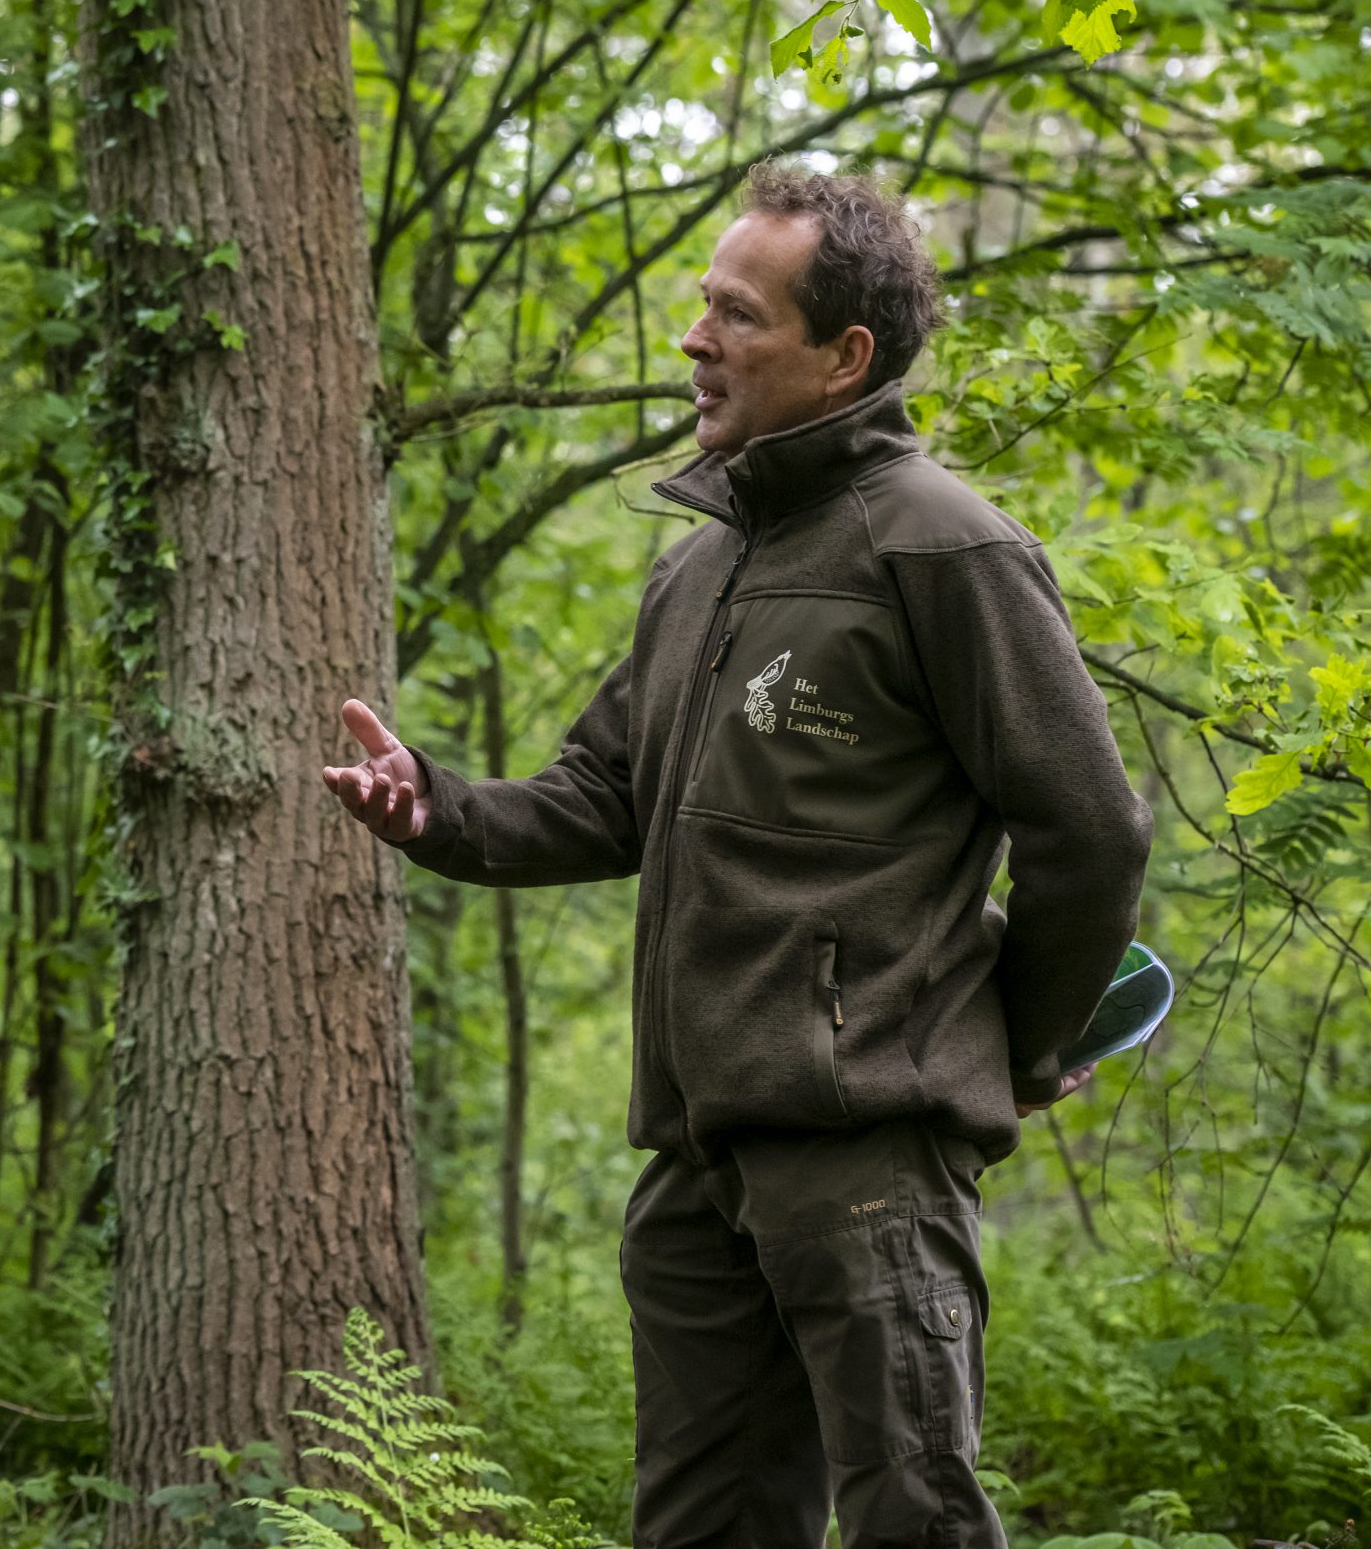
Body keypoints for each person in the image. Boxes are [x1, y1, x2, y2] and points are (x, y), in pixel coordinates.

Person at [323, 163, 1153, 1546]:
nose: (696, 339)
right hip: (699, 1173)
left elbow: (1092, 830)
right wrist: (439, 811)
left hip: (869, 1161)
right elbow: (604, 793)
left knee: (917, 1523)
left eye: (736, 314)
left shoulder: (945, 547)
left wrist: (1010, 1046)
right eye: (701, 305)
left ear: (846, 357)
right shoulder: (698, 565)